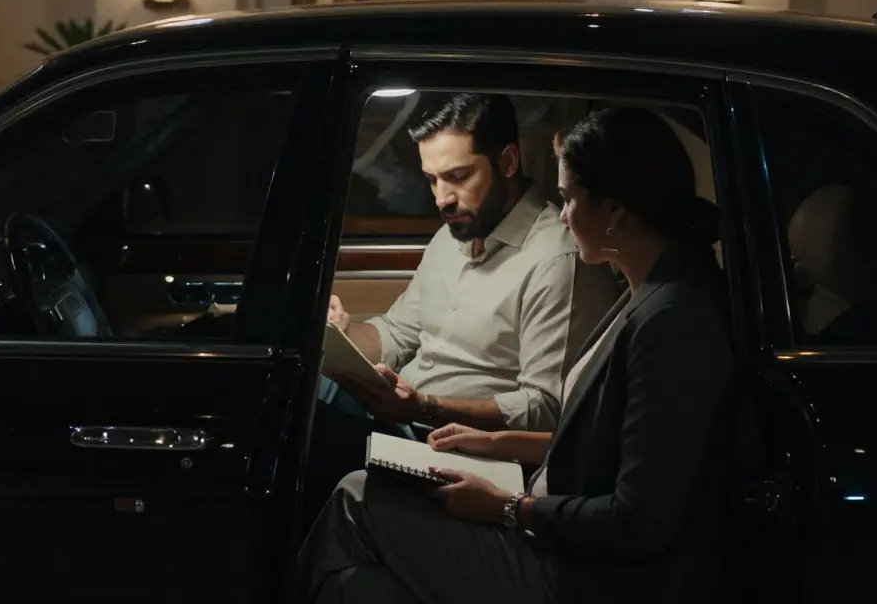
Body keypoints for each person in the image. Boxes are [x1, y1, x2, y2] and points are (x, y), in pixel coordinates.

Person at [296, 106, 738, 603]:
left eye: (569, 198)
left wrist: (509, 507)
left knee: (354, 494)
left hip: (580, 567)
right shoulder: (642, 295)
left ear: (614, 209)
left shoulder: (670, 320)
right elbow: (594, 442)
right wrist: (494, 442)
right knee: (357, 584)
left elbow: (638, 519)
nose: (563, 214)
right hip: (545, 510)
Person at [307, 93, 621, 527]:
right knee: (302, 389)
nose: (442, 198)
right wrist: (340, 334)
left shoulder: (556, 258)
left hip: (457, 446)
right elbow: (397, 334)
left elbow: (547, 408)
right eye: (432, 180)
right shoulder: (451, 237)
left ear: (508, 162)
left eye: (458, 176)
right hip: (408, 419)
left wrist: (424, 406)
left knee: (305, 437)